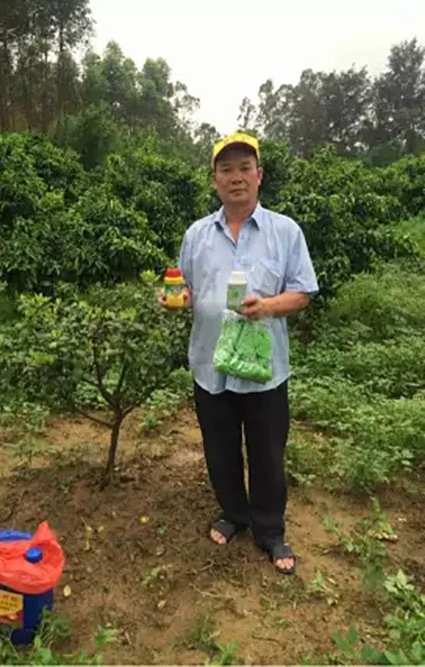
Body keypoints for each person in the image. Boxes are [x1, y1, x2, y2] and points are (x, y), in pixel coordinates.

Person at [162, 132, 318, 575]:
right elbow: (192, 289)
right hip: (210, 366)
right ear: (214, 180)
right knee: (220, 449)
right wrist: (178, 298)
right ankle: (234, 513)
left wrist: (266, 307)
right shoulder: (197, 234)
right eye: (226, 170)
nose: (236, 178)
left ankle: (270, 531)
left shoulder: (285, 231)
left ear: (259, 176)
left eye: (244, 168)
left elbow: (303, 293)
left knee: (268, 453)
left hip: (264, 370)